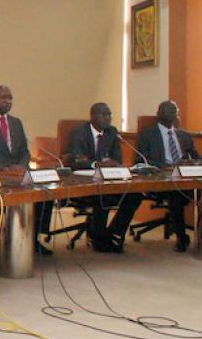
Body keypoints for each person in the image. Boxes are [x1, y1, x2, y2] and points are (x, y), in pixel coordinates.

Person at [0, 85, 52, 255]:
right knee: (16, 194)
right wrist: (3, 167)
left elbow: (24, 151)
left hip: (18, 173)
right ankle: (8, 237)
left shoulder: (16, 122)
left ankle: (33, 238)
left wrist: (22, 165)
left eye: (10, 98)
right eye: (3, 97)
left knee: (46, 191)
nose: (7, 101)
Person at [67, 102, 142, 253]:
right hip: (84, 181)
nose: (108, 118)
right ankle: (98, 239)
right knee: (103, 196)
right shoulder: (79, 132)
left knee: (135, 195)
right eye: (104, 114)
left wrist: (114, 164)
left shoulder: (112, 132)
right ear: (93, 116)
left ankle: (113, 233)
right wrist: (97, 164)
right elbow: (75, 160)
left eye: (110, 114)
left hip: (108, 179)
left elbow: (117, 159)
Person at [136, 100, 198, 252]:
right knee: (176, 194)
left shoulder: (183, 135)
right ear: (158, 113)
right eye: (168, 110)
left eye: (174, 110)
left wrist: (193, 162)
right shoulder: (147, 134)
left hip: (185, 177)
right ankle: (181, 238)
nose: (172, 113)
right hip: (161, 179)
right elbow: (142, 161)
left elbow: (196, 157)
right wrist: (166, 167)